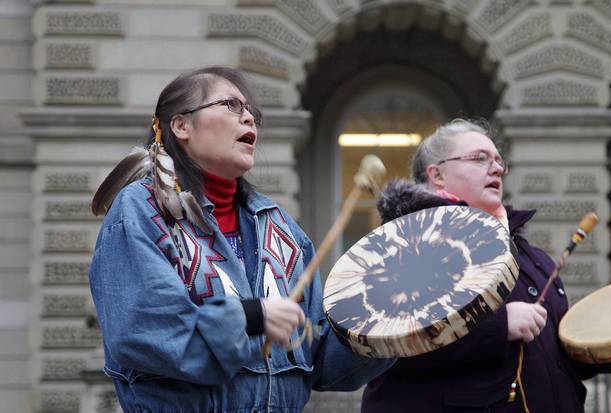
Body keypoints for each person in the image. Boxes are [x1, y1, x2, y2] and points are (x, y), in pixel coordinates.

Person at [88, 66, 393, 413]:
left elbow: (323, 362)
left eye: (252, 112)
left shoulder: (280, 227)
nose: (248, 118)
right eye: (231, 105)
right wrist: (250, 316)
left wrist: (387, 320)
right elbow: (148, 332)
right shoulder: (143, 211)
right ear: (181, 125)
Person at [361, 119, 611, 413]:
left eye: (498, 160)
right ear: (437, 174)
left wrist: (603, 342)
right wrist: (499, 326)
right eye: (480, 158)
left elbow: (557, 361)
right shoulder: (405, 244)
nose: (496, 168)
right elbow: (389, 346)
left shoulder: (533, 258)